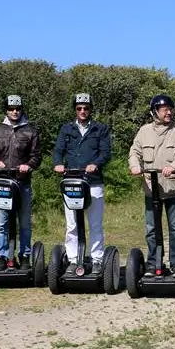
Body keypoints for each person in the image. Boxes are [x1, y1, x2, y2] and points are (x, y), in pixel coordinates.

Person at [128, 94, 175, 276]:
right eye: (164, 109)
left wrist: (173, 166)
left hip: (172, 187)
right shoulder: (144, 131)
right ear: (155, 112)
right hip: (151, 188)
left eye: (170, 109)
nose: (168, 112)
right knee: (151, 229)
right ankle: (153, 263)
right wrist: (135, 166)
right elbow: (135, 151)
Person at [53, 93, 112, 276]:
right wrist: (58, 164)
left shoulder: (99, 129)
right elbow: (58, 150)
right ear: (75, 109)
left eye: (86, 108)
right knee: (72, 225)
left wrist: (96, 164)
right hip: (71, 182)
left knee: (95, 224)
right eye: (79, 108)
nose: (83, 111)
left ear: (90, 109)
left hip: (93, 182)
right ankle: (72, 260)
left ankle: (96, 260)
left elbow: (105, 152)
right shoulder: (67, 129)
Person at [0, 95, 42, 272]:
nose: (14, 112)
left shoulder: (30, 131)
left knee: (24, 222)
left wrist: (29, 165)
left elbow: (37, 155)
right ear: (6, 110)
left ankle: (24, 256)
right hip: (2, 183)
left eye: (17, 108)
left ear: (21, 109)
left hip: (22, 182)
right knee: (1, 223)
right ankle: (2, 257)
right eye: (11, 109)